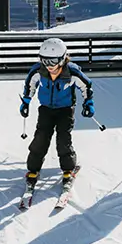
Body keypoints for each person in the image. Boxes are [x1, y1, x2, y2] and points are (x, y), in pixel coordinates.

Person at [18, 38, 94, 191]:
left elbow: (86, 86)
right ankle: (33, 169)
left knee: (63, 139)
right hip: (46, 109)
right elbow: (30, 85)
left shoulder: (72, 72)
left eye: (53, 61)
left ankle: (68, 169)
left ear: (63, 58)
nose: (49, 66)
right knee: (41, 138)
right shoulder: (39, 71)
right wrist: (26, 101)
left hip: (65, 110)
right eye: (45, 61)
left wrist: (88, 102)